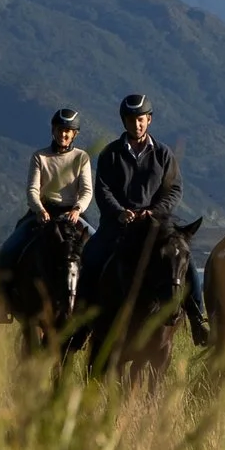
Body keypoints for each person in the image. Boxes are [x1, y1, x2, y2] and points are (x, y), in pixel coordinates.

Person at [91, 92, 198, 340]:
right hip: (119, 227)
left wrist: (155, 212)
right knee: (91, 259)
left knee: (186, 263)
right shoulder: (111, 154)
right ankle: (83, 322)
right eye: (131, 120)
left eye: (141, 119)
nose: (136, 124)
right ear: (124, 121)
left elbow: (174, 190)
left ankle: (196, 318)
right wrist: (120, 212)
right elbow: (103, 190)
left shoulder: (163, 154)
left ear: (149, 120)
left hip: (156, 229)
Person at [0, 107, 92, 274]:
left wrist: (78, 209)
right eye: (60, 130)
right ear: (53, 130)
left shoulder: (81, 157)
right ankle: (4, 292)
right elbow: (33, 189)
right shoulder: (39, 156)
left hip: (72, 213)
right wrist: (39, 209)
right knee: (9, 248)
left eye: (68, 131)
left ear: (74, 134)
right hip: (43, 212)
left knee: (94, 245)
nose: (63, 135)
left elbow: (86, 191)